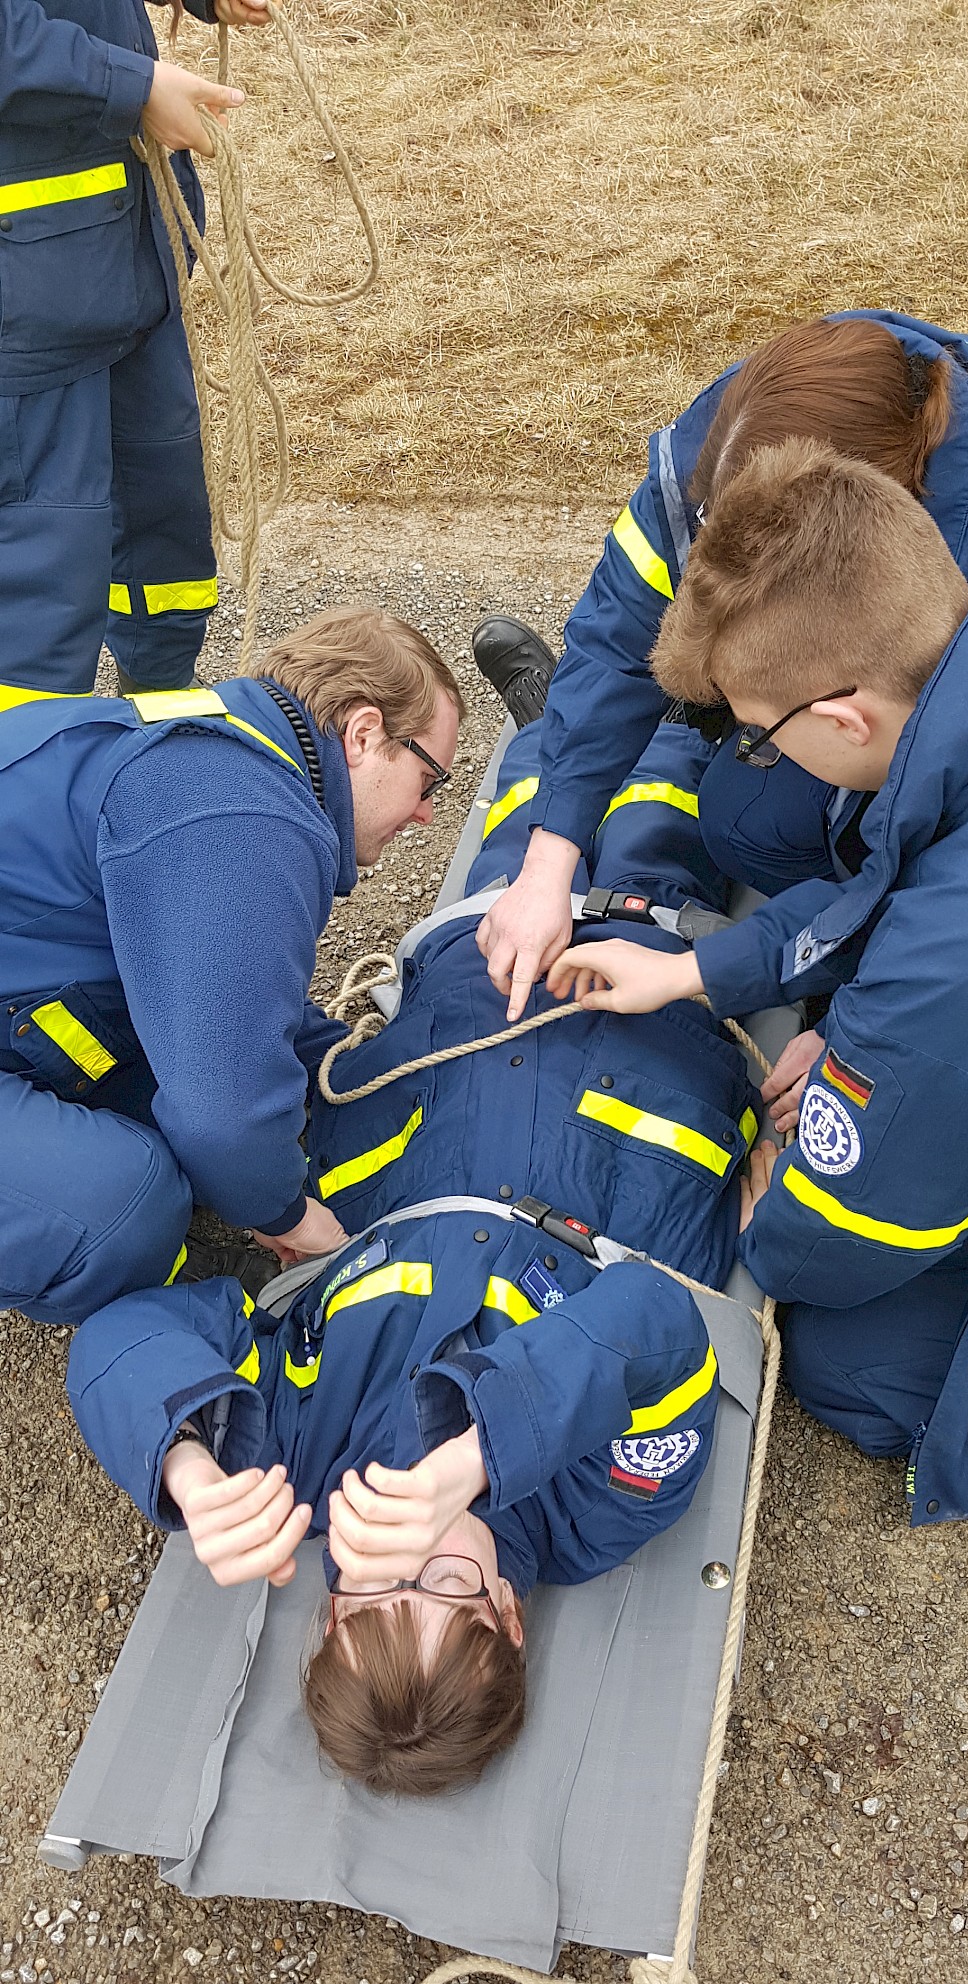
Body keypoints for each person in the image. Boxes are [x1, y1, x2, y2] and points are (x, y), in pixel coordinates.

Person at [65, 718, 756, 1795]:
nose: (408, 1551)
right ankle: (688, 723)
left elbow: (124, 1334)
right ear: (510, 1615)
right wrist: (484, 1451)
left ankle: (554, 712)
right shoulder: (599, 1509)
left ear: (332, 1603)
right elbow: (654, 1338)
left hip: (454, 1037)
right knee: (673, 818)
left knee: (524, 837)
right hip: (645, 1040)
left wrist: (185, 1460)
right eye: (445, 1584)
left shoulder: (290, 1463)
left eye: (373, 1589)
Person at [544, 437, 968, 1526]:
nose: (762, 760)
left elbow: (847, 1241)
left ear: (843, 717)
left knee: (851, 1351)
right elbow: (912, 882)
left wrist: (779, 1215)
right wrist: (697, 974)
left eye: (758, 738)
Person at [470, 310, 968, 1018]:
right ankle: (605, 738)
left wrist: (856, 1016)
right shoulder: (777, 410)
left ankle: (655, 746)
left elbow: (966, 868)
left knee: (746, 818)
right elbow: (624, 614)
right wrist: (547, 862)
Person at [0, 605, 462, 1323]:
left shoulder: (222, 751)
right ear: (365, 734)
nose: (428, 815)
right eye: (431, 782)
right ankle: (166, 1277)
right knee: (130, 1203)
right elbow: (226, 1116)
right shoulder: (243, 820)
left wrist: (339, 1063)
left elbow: (218, 1004)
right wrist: (286, 1213)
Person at [0, 0, 270, 708]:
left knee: (164, 524)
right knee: (43, 581)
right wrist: (136, 86)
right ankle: (28, 787)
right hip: (25, 312)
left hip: (125, 261)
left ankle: (158, 726)